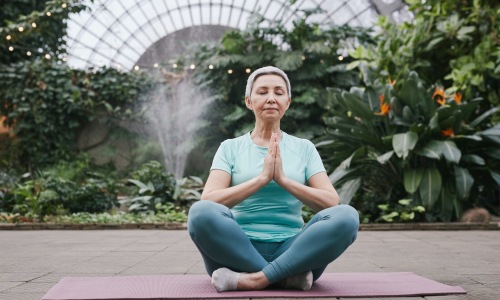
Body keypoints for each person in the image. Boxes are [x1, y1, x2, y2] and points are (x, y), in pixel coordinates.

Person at [187, 66, 359, 292]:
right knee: (200, 213)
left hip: (295, 252)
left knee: (347, 216)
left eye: (278, 92)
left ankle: (255, 280)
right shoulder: (229, 148)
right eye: (262, 92)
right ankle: (284, 278)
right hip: (235, 250)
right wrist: (261, 179)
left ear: (288, 102)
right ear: (249, 101)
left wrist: (283, 180)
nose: (271, 98)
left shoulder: (304, 148)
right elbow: (210, 199)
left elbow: (330, 202)